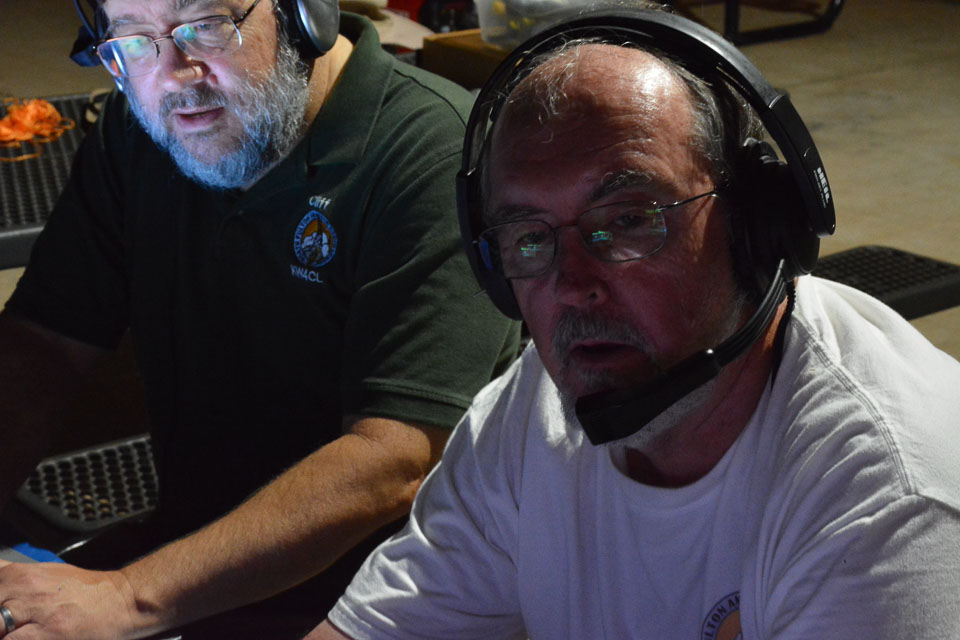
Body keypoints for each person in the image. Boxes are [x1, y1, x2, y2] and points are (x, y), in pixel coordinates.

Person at [308, 7, 960, 639]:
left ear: (755, 226)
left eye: (626, 221)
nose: (572, 286)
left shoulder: (884, 503)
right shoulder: (534, 412)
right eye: (529, 237)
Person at [0, 0, 519, 637]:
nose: (172, 75)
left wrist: (129, 597)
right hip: (192, 572)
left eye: (205, 27)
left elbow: (392, 459)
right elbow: (46, 345)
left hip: (379, 606)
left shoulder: (437, 155)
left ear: (303, 13)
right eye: (133, 41)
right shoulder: (139, 130)